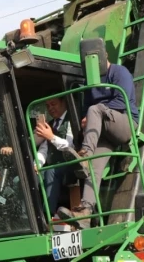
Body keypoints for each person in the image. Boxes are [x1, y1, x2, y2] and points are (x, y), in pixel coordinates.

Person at [58, 57, 139, 227]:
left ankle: (85, 154)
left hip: (125, 123)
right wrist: (84, 120)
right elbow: (85, 107)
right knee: (94, 169)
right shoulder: (91, 81)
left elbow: (122, 101)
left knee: (95, 109)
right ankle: (85, 213)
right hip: (103, 131)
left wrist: (93, 113)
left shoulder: (119, 72)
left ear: (103, 56)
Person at [33, 96, 76, 215]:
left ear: (64, 103)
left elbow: (69, 146)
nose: (50, 108)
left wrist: (51, 136)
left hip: (70, 165)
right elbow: (43, 149)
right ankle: (32, 215)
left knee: (51, 171)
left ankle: (48, 215)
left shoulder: (71, 119)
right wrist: (37, 164)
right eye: (48, 106)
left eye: (53, 104)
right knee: (31, 174)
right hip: (53, 166)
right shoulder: (50, 125)